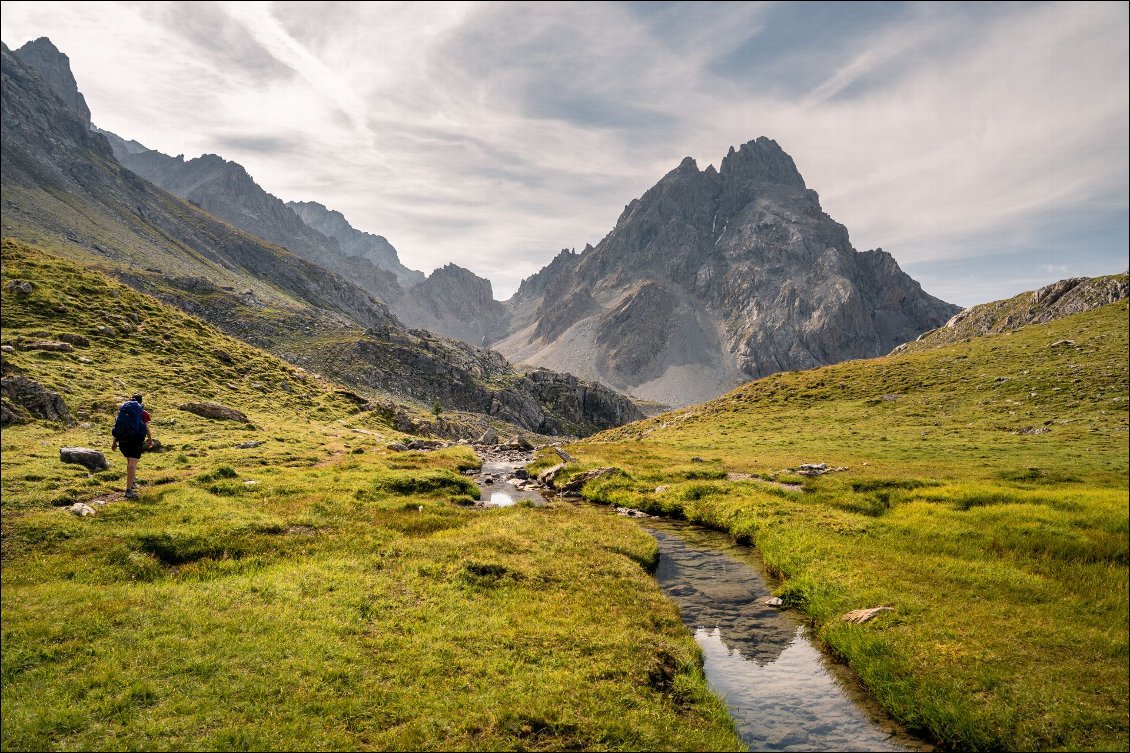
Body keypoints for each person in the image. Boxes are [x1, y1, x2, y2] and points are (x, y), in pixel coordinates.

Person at [111, 393, 154, 499]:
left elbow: (118, 427)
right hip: (136, 440)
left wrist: (114, 442)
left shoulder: (123, 412)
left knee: (129, 462)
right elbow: (146, 427)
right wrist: (150, 439)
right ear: (141, 402)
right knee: (132, 464)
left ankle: (132, 482)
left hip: (123, 440)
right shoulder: (143, 413)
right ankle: (128, 490)